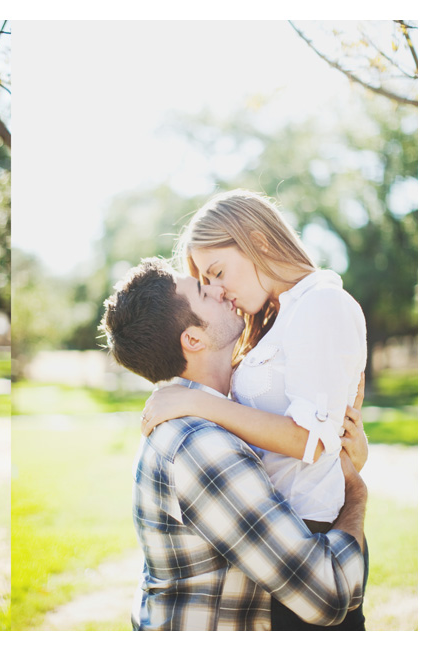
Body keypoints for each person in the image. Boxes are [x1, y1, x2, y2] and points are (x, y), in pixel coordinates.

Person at [139, 190, 369, 630]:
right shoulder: (280, 314)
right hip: (280, 535)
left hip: (317, 535)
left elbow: (310, 441)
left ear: (258, 241)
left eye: (218, 271)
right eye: (207, 281)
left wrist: (198, 403)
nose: (218, 290)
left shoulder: (321, 302)